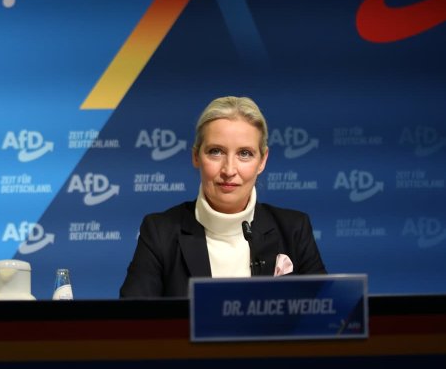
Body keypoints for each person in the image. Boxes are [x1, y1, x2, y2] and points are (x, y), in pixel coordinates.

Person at [120, 96, 326, 298]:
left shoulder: (294, 229)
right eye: (216, 151)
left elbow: (328, 318)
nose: (229, 170)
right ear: (195, 157)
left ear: (262, 161)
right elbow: (132, 326)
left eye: (244, 153)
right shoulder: (160, 232)